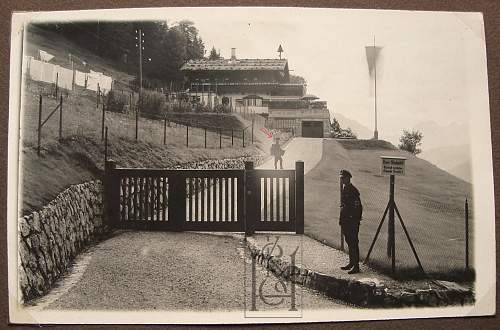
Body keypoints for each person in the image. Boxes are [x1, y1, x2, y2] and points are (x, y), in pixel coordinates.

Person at [339, 169, 362, 274]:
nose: (342, 180)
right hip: (346, 221)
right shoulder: (345, 189)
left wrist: (355, 219)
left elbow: (358, 207)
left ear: (348, 178)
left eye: (344, 178)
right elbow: (344, 206)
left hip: (352, 221)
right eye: (341, 178)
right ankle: (351, 263)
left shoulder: (353, 191)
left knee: (353, 243)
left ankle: (356, 266)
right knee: (349, 242)